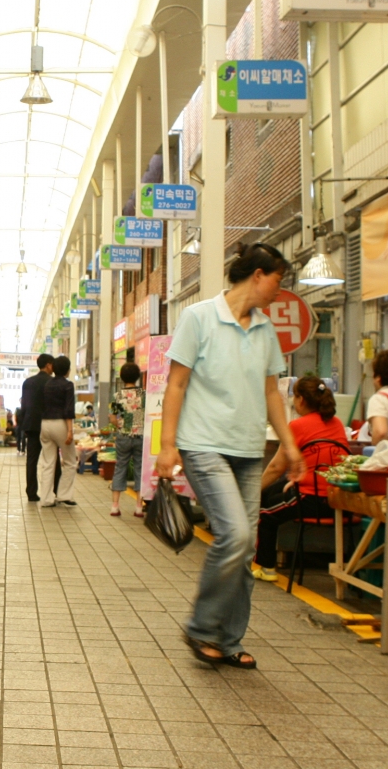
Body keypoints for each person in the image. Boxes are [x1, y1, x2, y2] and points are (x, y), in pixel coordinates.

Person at [155, 243, 303, 670]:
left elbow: (271, 392)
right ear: (258, 275)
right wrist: (168, 446)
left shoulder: (265, 329)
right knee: (235, 535)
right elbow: (177, 385)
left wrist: (289, 444)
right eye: (278, 279)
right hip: (203, 445)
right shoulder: (199, 317)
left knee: (246, 546)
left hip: (248, 450)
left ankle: (229, 639)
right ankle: (202, 627)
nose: (281, 289)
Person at [255, 375, 347, 580]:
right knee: (273, 492)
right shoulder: (338, 423)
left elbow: (276, 467)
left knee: (264, 512)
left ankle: (266, 566)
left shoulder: (298, 426)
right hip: (338, 498)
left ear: (301, 400)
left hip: (311, 499)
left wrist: (252, 491)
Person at [37, 355, 78, 507]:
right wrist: (70, 430)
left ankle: (46, 499)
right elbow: (68, 409)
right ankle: (63, 495)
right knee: (70, 461)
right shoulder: (68, 385)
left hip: (45, 424)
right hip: (60, 423)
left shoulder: (47, 384)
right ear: (67, 369)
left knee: (48, 463)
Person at [109, 362, 146, 518]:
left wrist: (121, 425)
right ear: (138, 377)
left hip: (123, 436)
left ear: (122, 378)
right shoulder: (143, 395)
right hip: (140, 436)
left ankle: (115, 507)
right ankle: (138, 507)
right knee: (139, 469)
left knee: (120, 468)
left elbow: (112, 419)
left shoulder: (117, 396)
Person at [19, 354, 54, 501]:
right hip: (48, 425)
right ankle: (54, 491)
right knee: (52, 460)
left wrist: (22, 425)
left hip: (32, 426)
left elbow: (24, 406)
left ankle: (31, 492)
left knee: (31, 460)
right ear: (48, 365)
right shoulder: (52, 382)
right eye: (52, 365)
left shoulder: (28, 382)